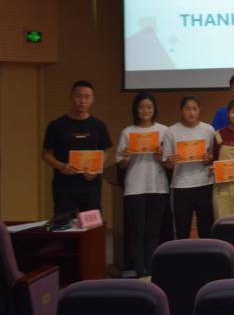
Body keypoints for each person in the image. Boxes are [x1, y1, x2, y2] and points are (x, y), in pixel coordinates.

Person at [115, 91, 168, 278]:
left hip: (158, 186)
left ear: (154, 109)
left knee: (153, 232)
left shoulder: (164, 131)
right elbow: (121, 163)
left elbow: (169, 162)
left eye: (149, 107)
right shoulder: (127, 132)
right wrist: (126, 158)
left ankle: (151, 270)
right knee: (137, 232)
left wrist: (162, 157)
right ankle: (139, 271)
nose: (145, 110)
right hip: (134, 187)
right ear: (136, 110)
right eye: (142, 107)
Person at [42, 80, 112, 214]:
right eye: (78, 96)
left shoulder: (98, 126)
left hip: (91, 187)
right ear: (71, 97)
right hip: (64, 187)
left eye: (87, 97)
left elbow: (105, 151)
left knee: (92, 225)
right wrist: (61, 166)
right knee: (64, 224)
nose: (83, 101)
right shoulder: (56, 125)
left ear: (92, 99)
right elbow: (46, 154)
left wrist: (96, 169)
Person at [162, 95, 215, 238]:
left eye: (194, 109)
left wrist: (209, 158)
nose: (191, 113)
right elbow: (167, 163)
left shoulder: (209, 130)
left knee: (206, 229)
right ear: (181, 110)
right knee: (182, 229)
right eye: (187, 109)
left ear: (199, 110)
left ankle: (206, 253)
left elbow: (213, 157)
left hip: (205, 184)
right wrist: (170, 162)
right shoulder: (171, 131)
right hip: (181, 186)